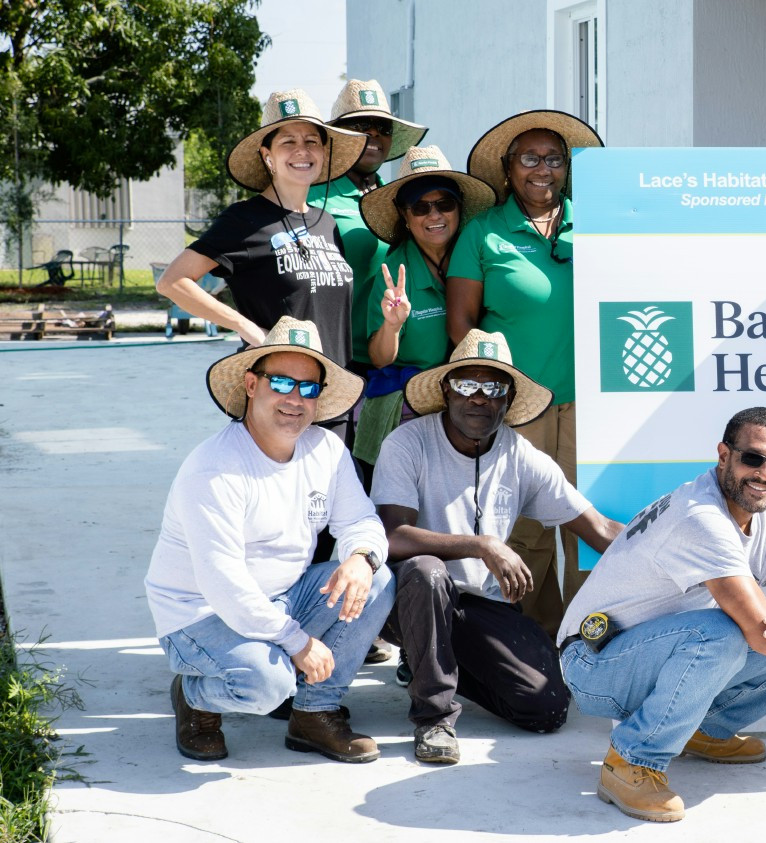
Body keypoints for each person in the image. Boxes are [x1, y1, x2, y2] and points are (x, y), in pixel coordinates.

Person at [557, 407, 766, 823]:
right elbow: (762, 637)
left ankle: (703, 728)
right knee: (725, 632)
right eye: (752, 458)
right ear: (723, 456)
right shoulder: (700, 515)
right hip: (593, 663)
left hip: (656, 654)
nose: (765, 473)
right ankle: (630, 761)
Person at [144, 317, 394, 763]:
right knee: (266, 686)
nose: (295, 399)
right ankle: (195, 693)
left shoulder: (325, 449)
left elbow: (362, 521)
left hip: (280, 596)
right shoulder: (214, 469)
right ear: (251, 385)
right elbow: (225, 586)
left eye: (309, 387)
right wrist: (297, 643)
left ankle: (314, 713)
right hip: (201, 614)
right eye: (281, 382)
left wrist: (360, 556)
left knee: (376, 580)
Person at [370, 330, 622, 764]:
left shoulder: (520, 454)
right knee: (427, 571)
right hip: (409, 596)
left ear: (508, 399)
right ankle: (434, 717)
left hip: (480, 605)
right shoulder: (407, 444)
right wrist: (482, 544)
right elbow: (392, 537)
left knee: (546, 709)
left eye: (494, 388)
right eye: (468, 385)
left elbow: (597, 528)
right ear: (447, 390)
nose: (480, 399)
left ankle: (428, 661)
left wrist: (674, 544)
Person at [447, 110, 604, 639]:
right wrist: (488, 396)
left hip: (591, 404)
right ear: (509, 169)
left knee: (588, 526)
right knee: (527, 528)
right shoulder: (483, 233)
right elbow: (461, 323)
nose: (543, 169)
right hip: (518, 406)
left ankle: (592, 640)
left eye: (554, 159)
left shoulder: (597, 221)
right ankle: (537, 640)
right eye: (530, 158)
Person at [155, 90, 366, 368]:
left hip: (334, 389)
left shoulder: (327, 222)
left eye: (311, 141)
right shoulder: (244, 220)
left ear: (323, 153)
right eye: (288, 141)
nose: (302, 150)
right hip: (280, 389)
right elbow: (172, 281)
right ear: (267, 156)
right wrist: (247, 329)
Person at [351, 145, 496, 468]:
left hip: (475, 400)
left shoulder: (479, 252)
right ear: (405, 216)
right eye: (421, 207)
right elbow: (379, 358)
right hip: (411, 405)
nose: (434, 216)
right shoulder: (394, 270)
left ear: (458, 208)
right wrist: (392, 325)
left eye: (444, 204)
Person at [315, 79, 429, 378]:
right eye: (361, 126)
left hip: (397, 359)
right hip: (334, 359)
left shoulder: (398, 199)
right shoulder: (312, 197)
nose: (374, 135)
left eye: (384, 128)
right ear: (337, 136)